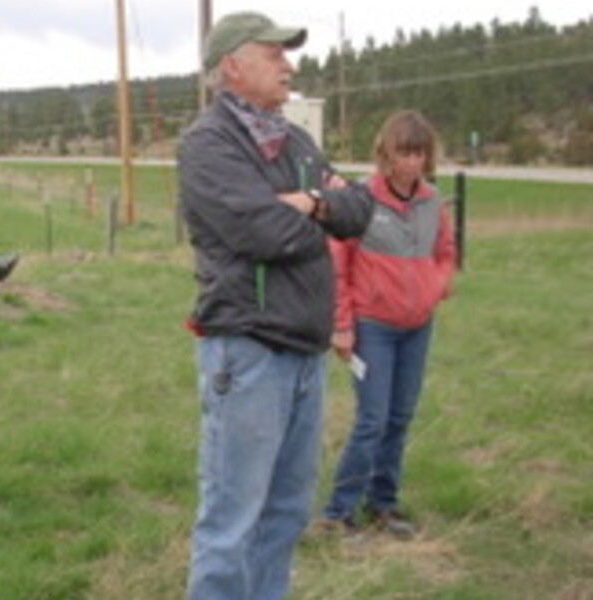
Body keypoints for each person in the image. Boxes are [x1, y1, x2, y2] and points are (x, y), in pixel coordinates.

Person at [177, 11, 374, 600]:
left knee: (286, 513)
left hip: (304, 352)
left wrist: (306, 202)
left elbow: (359, 209)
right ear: (232, 66)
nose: (289, 65)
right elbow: (264, 233)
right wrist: (320, 210)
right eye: (274, 54)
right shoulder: (208, 144)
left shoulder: (295, 140)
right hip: (248, 354)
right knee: (232, 521)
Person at [318, 110, 456, 539]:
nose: (412, 162)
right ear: (386, 154)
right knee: (372, 420)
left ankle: (383, 504)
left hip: (417, 326)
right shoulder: (360, 200)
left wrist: (434, 286)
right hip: (372, 327)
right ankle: (338, 513)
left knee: (399, 418)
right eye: (404, 153)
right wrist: (342, 325)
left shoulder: (433, 202)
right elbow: (337, 266)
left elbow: (446, 252)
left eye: (420, 154)